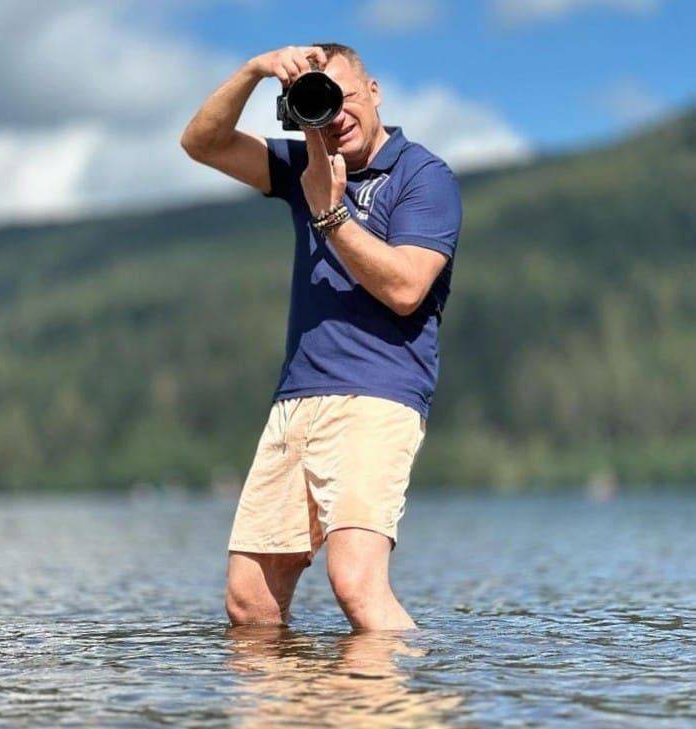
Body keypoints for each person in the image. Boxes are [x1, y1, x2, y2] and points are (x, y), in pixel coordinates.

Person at [181, 43, 462, 630]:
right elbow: (202, 143)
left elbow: (407, 288)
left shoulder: (423, 176)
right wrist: (256, 70)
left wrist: (330, 215)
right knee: (249, 603)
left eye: (344, 95)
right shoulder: (305, 165)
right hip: (296, 400)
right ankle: (300, 693)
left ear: (374, 91)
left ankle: (413, 689)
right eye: (318, 103)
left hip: (377, 395)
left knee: (356, 584)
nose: (336, 116)